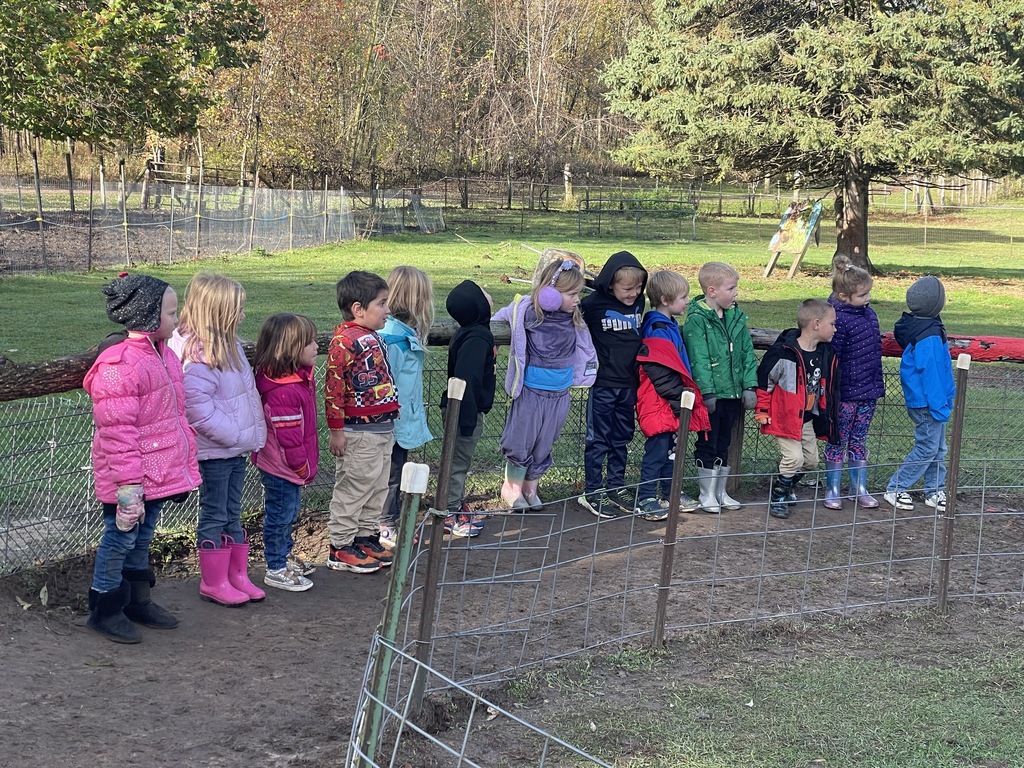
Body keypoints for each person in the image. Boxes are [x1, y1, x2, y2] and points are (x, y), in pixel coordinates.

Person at [83, 273, 200, 643]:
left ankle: (137, 599)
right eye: (170, 312)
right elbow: (118, 432)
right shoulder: (120, 365)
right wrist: (128, 486)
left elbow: (172, 418)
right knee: (119, 539)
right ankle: (105, 605)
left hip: (155, 472)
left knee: (142, 536)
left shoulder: (162, 354)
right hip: (129, 479)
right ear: (147, 316)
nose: (177, 319)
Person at [170, 272, 267, 606]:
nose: (243, 315)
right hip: (216, 452)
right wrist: (237, 434)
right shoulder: (199, 356)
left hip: (234, 449)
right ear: (220, 312)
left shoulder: (231, 346)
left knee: (232, 511)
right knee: (215, 513)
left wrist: (242, 438)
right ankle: (213, 581)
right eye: (237, 309)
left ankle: (236, 575)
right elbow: (197, 411)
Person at [493, 257, 598, 510]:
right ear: (550, 293)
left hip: (560, 394)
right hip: (531, 392)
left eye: (578, 294)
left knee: (544, 442)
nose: (577, 299)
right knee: (521, 440)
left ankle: (531, 488)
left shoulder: (573, 318)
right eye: (571, 294)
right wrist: (492, 340)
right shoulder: (528, 311)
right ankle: (512, 488)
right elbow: (501, 317)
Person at [324, 270, 399, 572]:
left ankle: (365, 536)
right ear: (358, 308)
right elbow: (334, 387)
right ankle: (340, 545)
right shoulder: (344, 342)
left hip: (383, 428)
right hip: (359, 432)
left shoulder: (372, 338)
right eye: (382, 303)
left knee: (377, 486)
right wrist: (336, 430)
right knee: (354, 487)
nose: (387, 310)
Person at [682, 261, 758, 513]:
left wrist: (750, 385)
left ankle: (720, 491)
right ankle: (706, 494)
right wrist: (707, 392)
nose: (736, 293)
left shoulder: (736, 317)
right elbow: (699, 358)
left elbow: (747, 352)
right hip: (712, 395)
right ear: (712, 291)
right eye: (731, 288)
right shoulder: (697, 320)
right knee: (708, 441)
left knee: (725, 441)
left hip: (734, 393)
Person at [754, 299, 841, 519]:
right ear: (817, 324)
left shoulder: (825, 353)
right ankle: (779, 495)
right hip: (784, 417)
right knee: (795, 459)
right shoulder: (784, 353)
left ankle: (785, 481)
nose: (835, 328)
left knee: (811, 462)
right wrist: (762, 409)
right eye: (833, 324)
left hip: (807, 419)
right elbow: (765, 381)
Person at [635, 270, 711, 520]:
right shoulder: (657, 329)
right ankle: (646, 497)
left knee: (673, 450)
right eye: (683, 297)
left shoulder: (669, 326)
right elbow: (658, 369)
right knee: (657, 451)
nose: (687, 301)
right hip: (662, 402)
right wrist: (679, 399)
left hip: (673, 401)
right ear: (666, 300)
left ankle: (669, 493)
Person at [251, 313, 319, 593]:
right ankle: (275, 567)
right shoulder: (284, 392)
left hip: (288, 467)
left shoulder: (296, 380)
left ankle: (284, 556)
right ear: (290, 349)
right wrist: (301, 467)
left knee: (288, 514)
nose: (317, 346)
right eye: (310, 342)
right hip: (283, 467)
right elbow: (288, 438)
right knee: (280, 516)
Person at [579, 250, 647, 517]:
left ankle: (615, 487)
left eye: (638, 288)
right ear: (610, 284)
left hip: (630, 385)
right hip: (603, 384)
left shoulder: (640, 305)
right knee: (599, 440)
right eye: (627, 288)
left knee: (622, 438)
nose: (633, 293)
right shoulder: (592, 305)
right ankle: (592, 491)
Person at [883, 276, 955, 512]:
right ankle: (896, 487)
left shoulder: (923, 326)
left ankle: (934, 490)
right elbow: (931, 373)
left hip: (931, 401)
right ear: (937, 304)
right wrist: (939, 405)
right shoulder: (930, 335)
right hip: (929, 402)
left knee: (937, 448)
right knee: (927, 447)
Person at [378, 266, 434, 548]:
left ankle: (388, 520)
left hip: (401, 417)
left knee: (395, 470)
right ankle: (386, 524)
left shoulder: (401, 334)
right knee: (390, 473)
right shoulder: (393, 340)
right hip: (393, 421)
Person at [824, 255, 885, 509]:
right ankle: (833, 488)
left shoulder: (869, 314)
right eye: (862, 295)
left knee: (859, 439)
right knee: (838, 438)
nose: (867, 298)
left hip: (867, 390)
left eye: (868, 293)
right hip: (845, 392)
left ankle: (859, 487)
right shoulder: (837, 319)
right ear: (843, 296)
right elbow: (833, 355)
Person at [440, 279, 496, 537]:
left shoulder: (471, 333)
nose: (490, 296)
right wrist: (466, 418)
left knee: (458, 459)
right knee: (457, 461)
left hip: (463, 408)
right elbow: (467, 380)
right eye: (484, 293)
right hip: (464, 411)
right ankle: (449, 511)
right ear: (478, 306)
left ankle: (454, 503)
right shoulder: (478, 338)